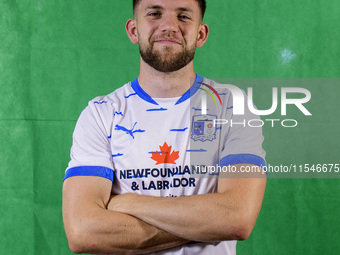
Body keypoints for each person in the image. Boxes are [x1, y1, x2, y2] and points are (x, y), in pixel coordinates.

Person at [62, 0, 267, 254]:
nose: (169, 26)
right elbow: (83, 232)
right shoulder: (100, 114)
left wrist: (129, 203)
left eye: (183, 16)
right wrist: (206, 224)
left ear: (200, 34)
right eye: (155, 13)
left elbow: (237, 218)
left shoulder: (233, 106)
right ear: (133, 30)